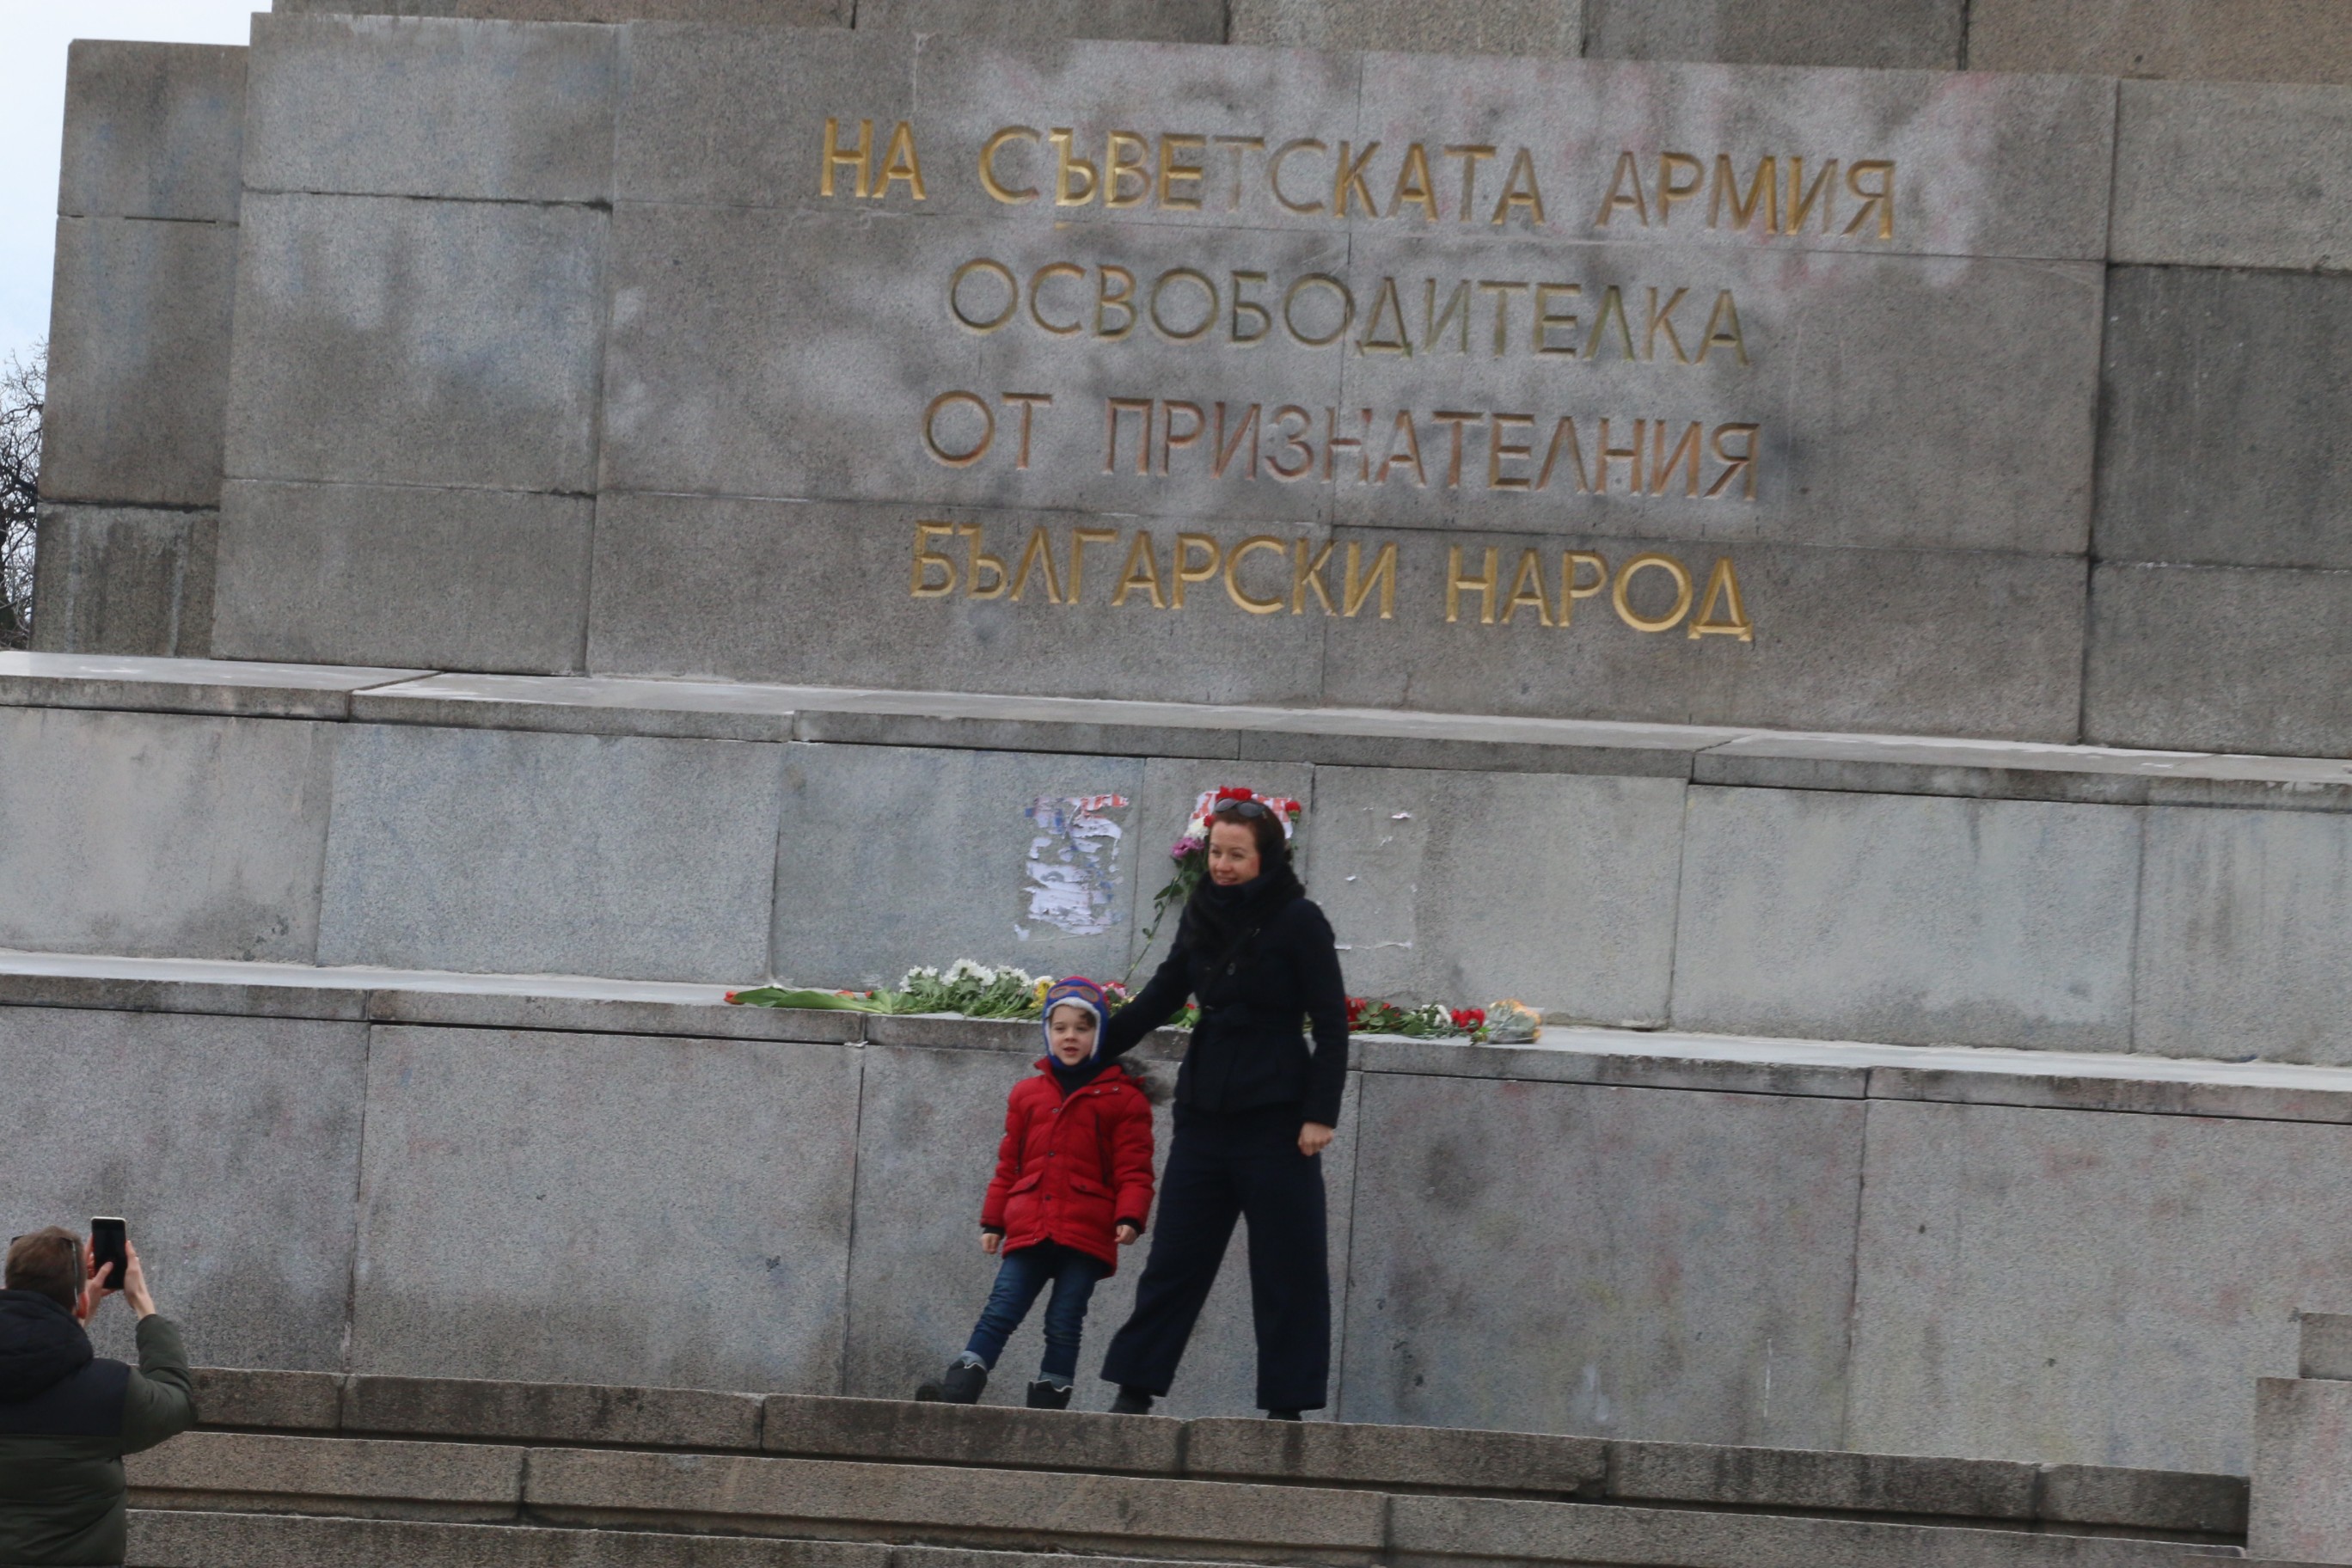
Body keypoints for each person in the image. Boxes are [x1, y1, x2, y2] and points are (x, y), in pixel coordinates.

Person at [1095, 796, 1347, 1419]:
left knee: (1288, 1268)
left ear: (1267, 858)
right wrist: (1095, 1048)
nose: (1222, 865)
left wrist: (1320, 1113)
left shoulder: (1300, 919)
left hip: (1279, 1119)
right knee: (1174, 1261)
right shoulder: (1201, 909)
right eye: (1215, 853)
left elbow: (1332, 1022)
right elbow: (1162, 994)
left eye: (1237, 855)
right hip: (1205, 1112)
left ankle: (1287, 1409)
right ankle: (1133, 1392)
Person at [916, 977, 1155, 1410]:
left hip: (1087, 1231)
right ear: (1047, 1032)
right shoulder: (1028, 1094)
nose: (1070, 1036)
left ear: (1099, 1033)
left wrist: (1130, 1216)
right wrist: (993, 1221)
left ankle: (1048, 1406)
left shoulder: (1124, 1099)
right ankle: (958, 1391)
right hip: (1030, 1223)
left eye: (1082, 1028)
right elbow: (1009, 1163)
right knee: (1001, 1308)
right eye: (1060, 1027)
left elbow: (1135, 1169)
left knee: (1064, 1320)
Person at [0, 1227, 197, 1566]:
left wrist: (74, 1316)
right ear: (81, 1302)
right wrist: (144, 1306)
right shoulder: (111, 1391)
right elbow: (178, 1400)